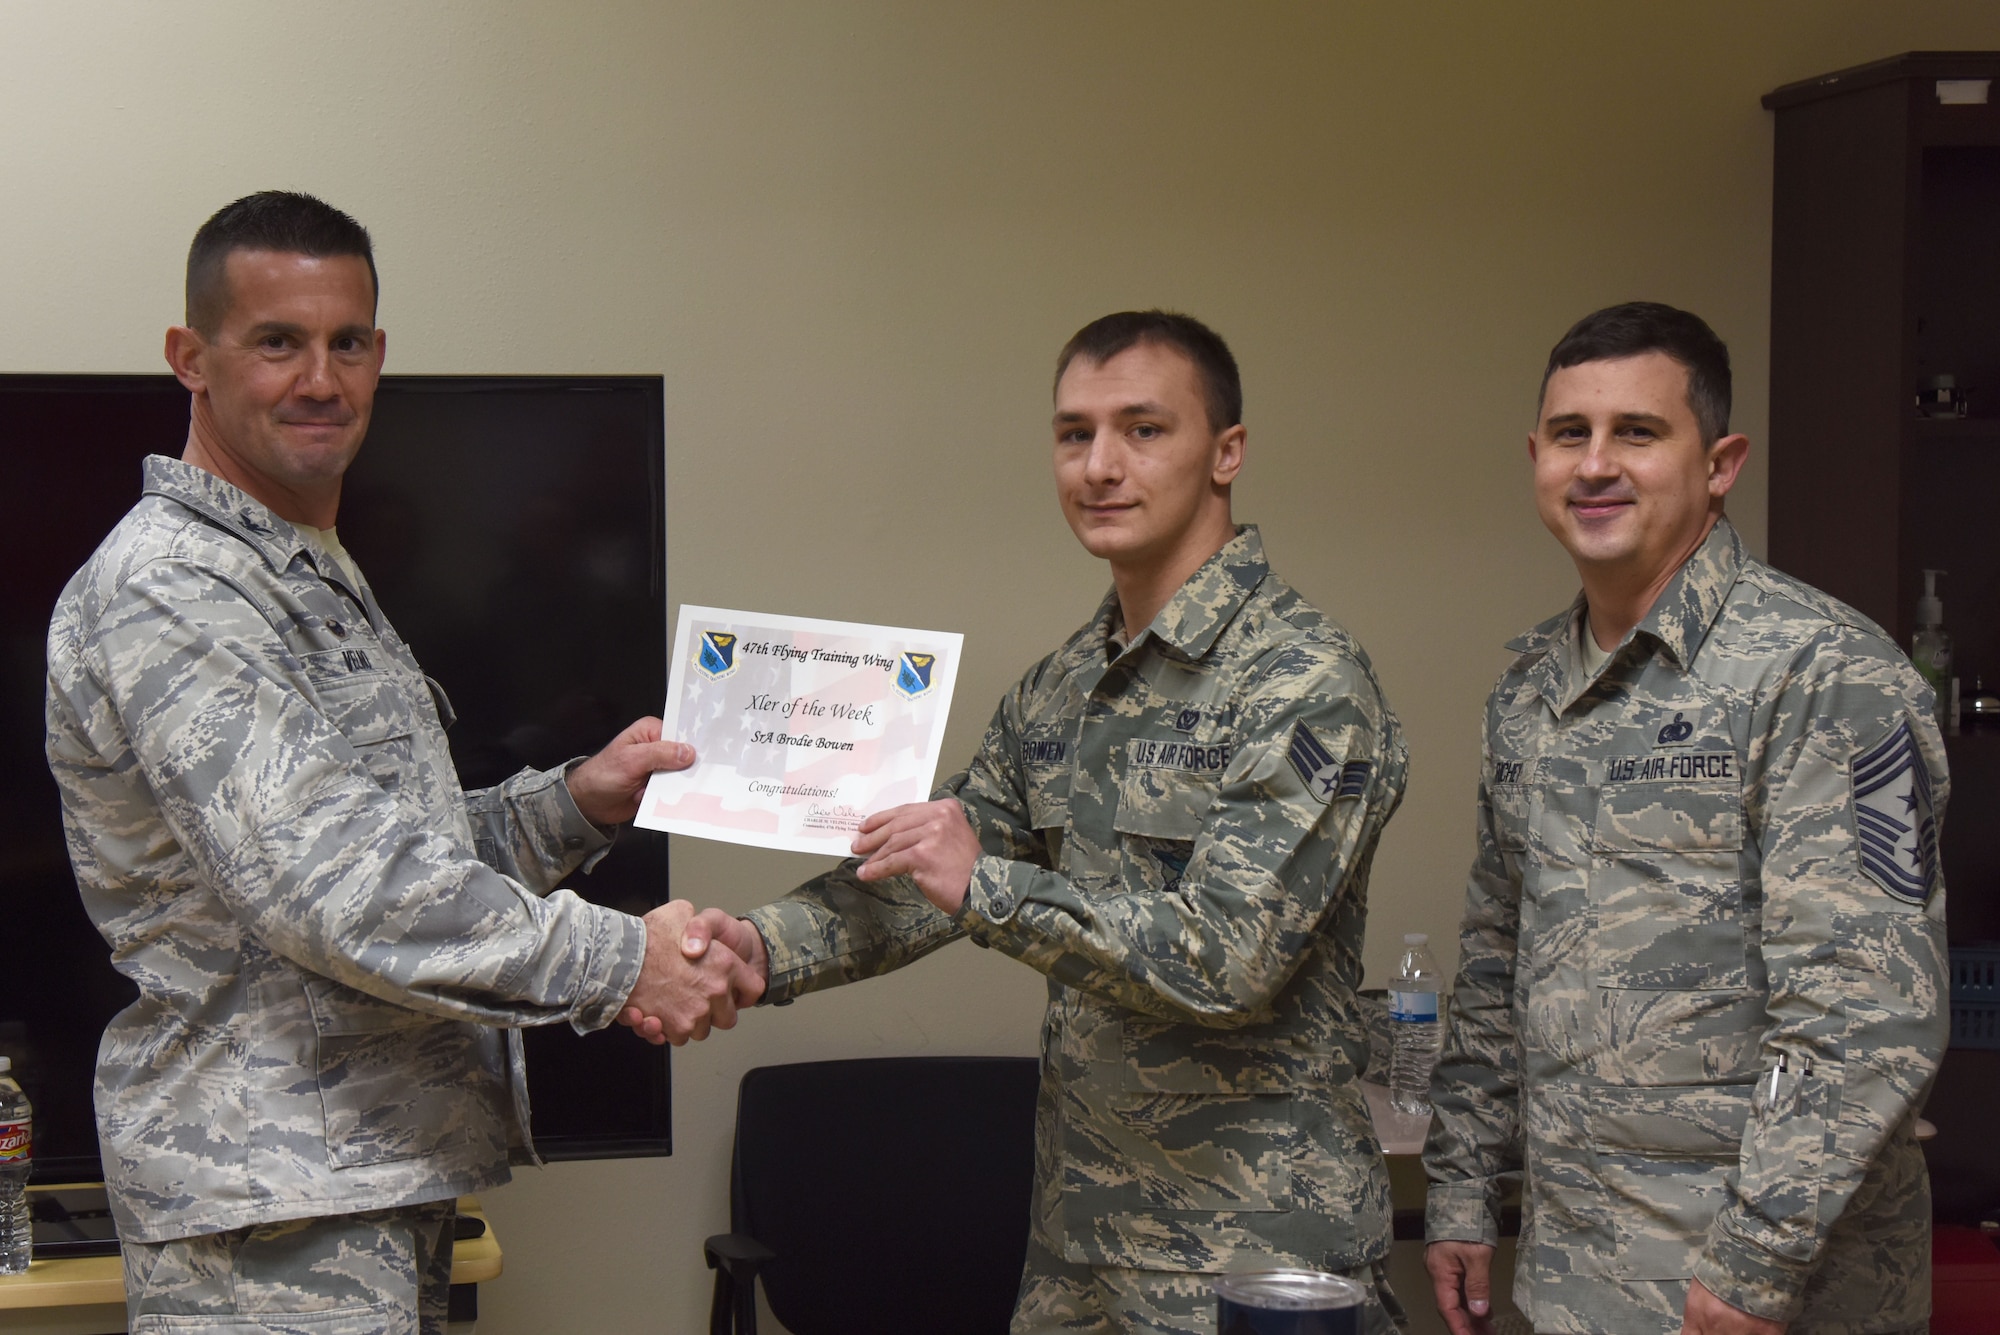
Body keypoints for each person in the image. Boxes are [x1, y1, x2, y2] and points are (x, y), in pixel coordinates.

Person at [44, 191, 759, 1335]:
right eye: (277, 341)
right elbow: (337, 890)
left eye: (347, 342)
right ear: (191, 357)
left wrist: (572, 805)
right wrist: (625, 961)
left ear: (380, 355)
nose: (320, 378)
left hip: (366, 1182)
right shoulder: (175, 589)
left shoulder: (303, 570)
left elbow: (394, 848)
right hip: (271, 1216)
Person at [666, 311, 1411, 1334]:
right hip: (1080, 1243)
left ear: (1225, 452)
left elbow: (1227, 959)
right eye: (1073, 434)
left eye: (1142, 430)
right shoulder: (1060, 689)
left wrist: (988, 887)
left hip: (1252, 1252)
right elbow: (924, 876)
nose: (1099, 465)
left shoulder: (1304, 681)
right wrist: (756, 949)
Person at [1421, 302, 1948, 1335]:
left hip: (1763, 1294)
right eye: (1570, 434)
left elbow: (1864, 1012)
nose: (1595, 465)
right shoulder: (1529, 694)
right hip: (1576, 1280)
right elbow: (1495, 962)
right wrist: (1459, 1191)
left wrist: (1754, 1261)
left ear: (1719, 463)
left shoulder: (1820, 673)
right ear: (1535, 456)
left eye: (1638, 433)